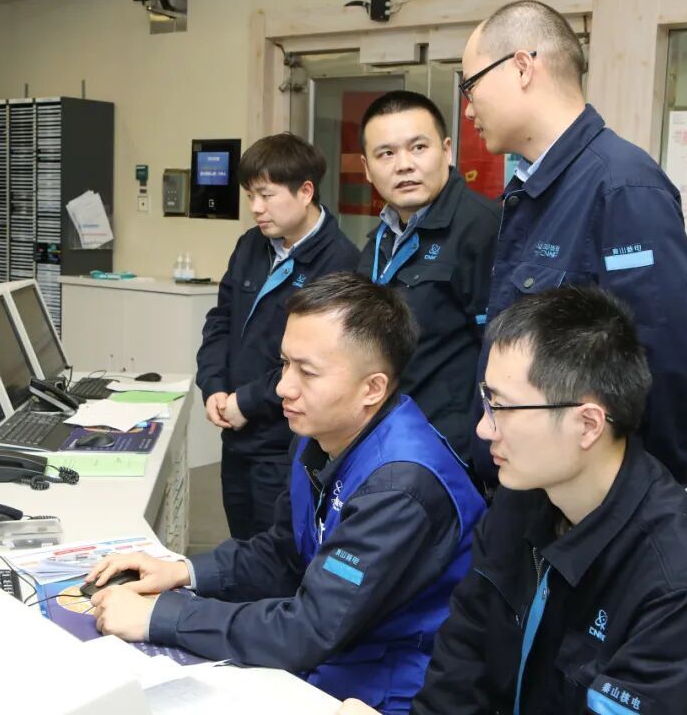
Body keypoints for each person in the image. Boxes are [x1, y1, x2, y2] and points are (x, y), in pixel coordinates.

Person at [341, 286, 687, 715]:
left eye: (501, 408)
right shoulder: (518, 502)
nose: (484, 430)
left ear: (587, 425)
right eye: (486, 401)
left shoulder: (677, 586)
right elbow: (459, 674)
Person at [89, 272, 487, 714]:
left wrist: (160, 617)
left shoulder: (401, 487)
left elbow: (309, 630)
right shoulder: (319, 436)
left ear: (372, 388)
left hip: (385, 689)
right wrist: (183, 572)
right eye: (284, 364)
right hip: (339, 654)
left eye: (307, 372)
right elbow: (283, 553)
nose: (283, 387)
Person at [461, 0, 687, 486]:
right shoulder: (533, 190)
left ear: (521, 67)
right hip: (530, 487)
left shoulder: (622, 187)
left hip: (590, 501)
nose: (469, 108)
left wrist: (642, 497)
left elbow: (670, 361)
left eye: (471, 86)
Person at [196, 133, 359, 539]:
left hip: (286, 444)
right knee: (241, 546)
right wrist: (214, 387)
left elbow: (316, 360)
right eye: (250, 196)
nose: (256, 208)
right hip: (236, 434)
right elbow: (221, 320)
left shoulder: (339, 262)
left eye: (266, 196)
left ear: (305, 192)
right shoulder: (251, 245)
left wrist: (248, 401)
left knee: (279, 552)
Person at [356, 90, 498, 465]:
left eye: (418, 147)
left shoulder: (483, 227)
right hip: (387, 439)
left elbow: (501, 351)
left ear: (447, 151)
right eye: (386, 154)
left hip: (452, 450)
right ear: (367, 168)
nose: (404, 165)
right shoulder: (380, 240)